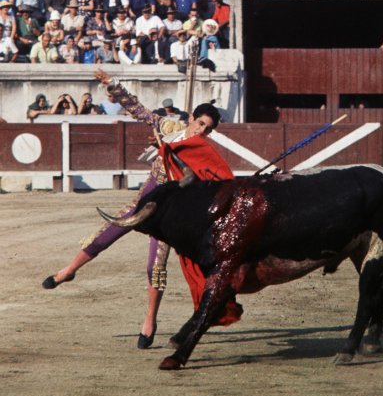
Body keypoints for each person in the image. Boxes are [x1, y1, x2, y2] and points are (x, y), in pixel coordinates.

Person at [42, 70, 238, 349]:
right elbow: (139, 111)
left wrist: (170, 157)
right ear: (191, 119)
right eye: (201, 124)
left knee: (155, 266)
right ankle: (68, 270)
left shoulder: (200, 150)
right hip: (145, 200)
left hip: (169, 215)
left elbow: (198, 182)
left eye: (208, 130)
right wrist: (113, 85)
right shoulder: (169, 129)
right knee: (108, 232)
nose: (203, 132)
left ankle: (149, 321)